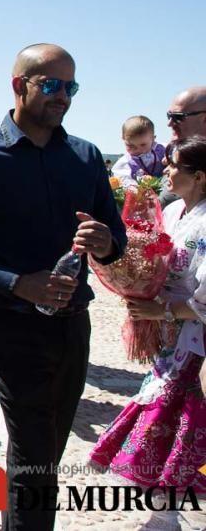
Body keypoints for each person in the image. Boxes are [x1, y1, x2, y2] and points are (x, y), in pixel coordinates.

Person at [0, 43, 126, 531]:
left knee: (45, 452)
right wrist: (18, 283)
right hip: (10, 326)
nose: (63, 96)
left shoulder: (84, 156)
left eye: (71, 87)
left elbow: (116, 240)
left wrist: (105, 241)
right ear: (19, 85)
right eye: (52, 85)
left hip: (72, 325)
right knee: (35, 457)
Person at [90, 135, 206, 530]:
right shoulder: (173, 213)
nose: (166, 170)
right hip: (167, 338)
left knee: (181, 425)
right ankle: (164, 513)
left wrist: (163, 310)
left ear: (201, 176)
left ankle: (166, 514)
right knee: (165, 423)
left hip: (195, 343)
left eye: (174, 166)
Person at [110, 115, 166, 188]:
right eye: (130, 145)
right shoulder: (126, 163)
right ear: (123, 139)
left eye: (143, 145)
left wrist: (171, 158)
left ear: (153, 139)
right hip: (142, 194)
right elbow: (125, 181)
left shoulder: (162, 149)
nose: (138, 150)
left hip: (167, 188)